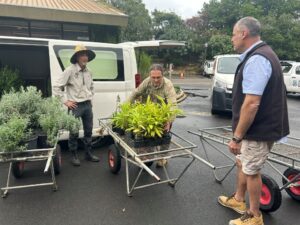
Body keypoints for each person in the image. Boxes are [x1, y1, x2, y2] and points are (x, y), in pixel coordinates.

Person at [217, 17, 289, 225]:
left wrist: (237, 137)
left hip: (258, 129)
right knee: (243, 162)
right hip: (260, 126)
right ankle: (239, 200)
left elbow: (252, 104)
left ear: (243, 34)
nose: (232, 39)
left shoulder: (258, 59)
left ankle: (254, 215)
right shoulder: (261, 54)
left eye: (233, 34)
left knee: (251, 171)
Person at [53, 44, 99, 166]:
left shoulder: (89, 71)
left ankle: (88, 154)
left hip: (87, 105)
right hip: (75, 106)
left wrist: (90, 98)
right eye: (82, 55)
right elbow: (57, 87)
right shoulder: (70, 70)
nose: (85, 57)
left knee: (88, 131)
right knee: (73, 131)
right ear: (77, 57)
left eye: (86, 55)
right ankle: (73, 155)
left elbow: (91, 87)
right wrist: (66, 101)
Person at [128, 64, 177, 167]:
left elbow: (172, 104)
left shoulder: (168, 85)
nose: (155, 80)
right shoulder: (147, 81)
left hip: (162, 115)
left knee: (164, 136)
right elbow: (136, 93)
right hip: (149, 113)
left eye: (158, 77)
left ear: (162, 76)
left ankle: (162, 158)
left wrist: (169, 120)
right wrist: (126, 106)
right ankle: (146, 155)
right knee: (145, 135)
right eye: (153, 77)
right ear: (150, 76)